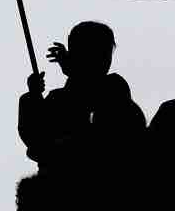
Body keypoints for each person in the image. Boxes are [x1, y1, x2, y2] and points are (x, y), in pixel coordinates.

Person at [18, 21, 146, 172]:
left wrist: (74, 71)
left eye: (105, 54)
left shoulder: (113, 86)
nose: (105, 60)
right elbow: (34, 136)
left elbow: (98, 103)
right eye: (100, 54)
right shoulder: (57, 99)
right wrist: (33, 96)